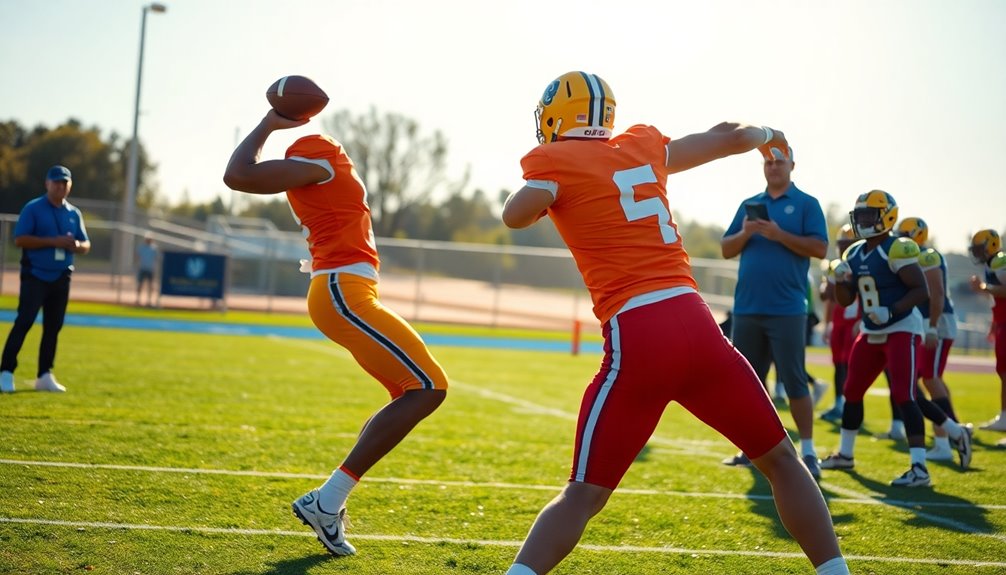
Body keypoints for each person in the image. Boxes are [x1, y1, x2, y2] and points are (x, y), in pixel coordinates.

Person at [501, 71, 847, 575]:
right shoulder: (641, 146)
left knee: (583, 493)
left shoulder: (554, 160)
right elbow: (729, 135)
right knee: (782, 462)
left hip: (639, 334)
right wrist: (768, 136)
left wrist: (550, 183)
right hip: (698, 324)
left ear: (559, 115)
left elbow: (515, 215)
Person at [222, 108, 448, 556]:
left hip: (348, 289)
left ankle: (329, 500)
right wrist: (269, 123)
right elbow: (238, 176)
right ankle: (327, 500)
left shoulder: (326, 165)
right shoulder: (320, 155)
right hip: (341, 290)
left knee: (414, 391)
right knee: (429, 387)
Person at [820, 191, 971, 486]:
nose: (863, 221)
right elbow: (846, 298)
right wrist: (841, 281)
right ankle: (846, 454)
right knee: (852, 389)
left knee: (905, 394)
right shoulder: (853, 253)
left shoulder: (898, 248)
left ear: (887, 217)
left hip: (902, 327)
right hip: (871, 330)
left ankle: (919, 468)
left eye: (869, 215)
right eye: (860, 215)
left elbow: (920, 291)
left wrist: (891, 311)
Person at [720, 140, 829, 479]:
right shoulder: (750, 204)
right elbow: (726, 248)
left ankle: (809, 452)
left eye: (780, 163)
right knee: (750, 384)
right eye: (768, 163)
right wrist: (747, 231)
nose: (773, 167)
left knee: (795, 381)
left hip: (787, 310)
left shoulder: (807, 204)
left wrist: (780, 235)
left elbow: (820, 248)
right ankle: (751, 449)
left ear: (792, 167)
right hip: (748, 308)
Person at [0, 165, 91, 394]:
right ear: (47, 184)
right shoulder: (33, 208)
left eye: (65, 183)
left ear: (70, 185)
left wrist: (76, 246)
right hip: (35, 275)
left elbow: (86, 244)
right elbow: (20, 239)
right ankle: (6, 371)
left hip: (62, 275)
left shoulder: (73, 213)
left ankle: (44, 374)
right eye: (57, 182)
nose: (61, 186)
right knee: (25, 321)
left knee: (53, 327)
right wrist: (53, 241)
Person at [896, 217, 969, 461]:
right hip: (929, 321)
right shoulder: (915, 256)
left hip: (936, 321)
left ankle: (948, 437)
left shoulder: (927, 255)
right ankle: (952, 430)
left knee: (929, 377)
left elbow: (935, 293)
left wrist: (931, 326)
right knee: (929, 377)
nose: (900, 237)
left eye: (905, 233)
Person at [819, 224, 859, 422]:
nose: (844, 249)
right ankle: (838, 404)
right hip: (839, 320)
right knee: (838, 364)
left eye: (848, 244)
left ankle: (849, 406)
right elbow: (827, 297)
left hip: (855, 320)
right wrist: (827, 324)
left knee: (851, 366)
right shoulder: (836, 264)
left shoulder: (861, 263)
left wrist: (861, 321)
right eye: (842, 244)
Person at [968, 229, 1006, 431]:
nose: (977, 253)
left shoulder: (1000, 261)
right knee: (1002, 370)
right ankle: (1004, 417)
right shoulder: (992, 264)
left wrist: (983, 288)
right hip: (1002, 323)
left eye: (979, 249)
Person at [135, 234, 158, 307]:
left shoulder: (154, 248)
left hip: (150, 269)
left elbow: (156, 258)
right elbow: (138, 257)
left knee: (150, 285)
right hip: (142, 268)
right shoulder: (141, 248)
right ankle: (138, 300)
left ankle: (149, 301)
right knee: (140, 284)